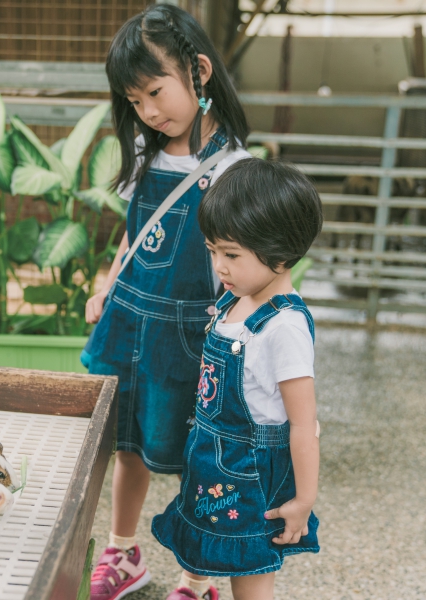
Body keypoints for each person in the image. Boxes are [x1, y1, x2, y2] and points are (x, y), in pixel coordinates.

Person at [83, 5, 251, 599]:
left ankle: (197, 578)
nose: (150, 111)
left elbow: (241, 264)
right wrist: (108, 284)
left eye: (156, 91)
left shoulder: (233, 168)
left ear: (198, 71)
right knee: (127, 446)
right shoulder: (144, 150)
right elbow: (136, 230)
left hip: (190, 335)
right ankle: (123, 553)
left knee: (194, 460)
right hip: (131, 321)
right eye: (135, 100)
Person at [151, 158, 324, 600]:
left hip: (249, 474)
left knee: (250, 580)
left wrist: (304, 499)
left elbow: (304, 423)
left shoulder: (283, 327)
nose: (219, 266)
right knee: (220, 559)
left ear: (280, 254)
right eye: (213, 251)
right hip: (212, 458)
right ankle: (199, 589)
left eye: (230, 255)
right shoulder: (236, 299)